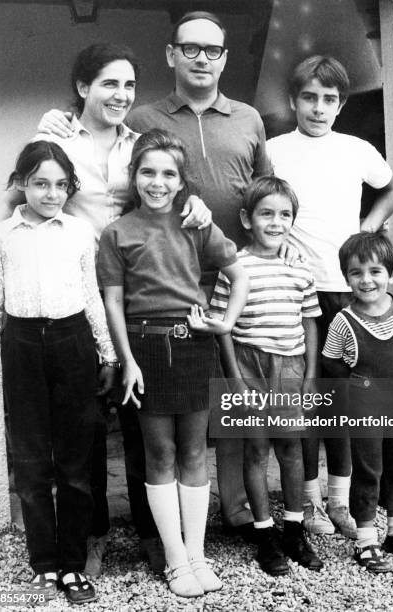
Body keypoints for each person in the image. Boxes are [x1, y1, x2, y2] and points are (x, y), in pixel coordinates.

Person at [0, 43, 210, 577]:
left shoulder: (139, 144)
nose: (121, 95)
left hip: (135, 292)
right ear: (82, 88)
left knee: (142, 420)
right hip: (79, 296)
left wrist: (192, 203)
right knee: (87, 430)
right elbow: (14, 198)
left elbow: (168, 184)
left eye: (129, 85)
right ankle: (93, 535)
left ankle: (156, 537)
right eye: (109, 83)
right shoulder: (52, 137)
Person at [97, 129, 249, 597]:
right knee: (159, 454)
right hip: (145, 350)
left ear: (182, 180)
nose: (157, 182)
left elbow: (237, 273)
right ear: (133, 176)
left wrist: (225, 322)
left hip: (193, 344)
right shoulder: (117, 233)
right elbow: (114, 304)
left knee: (194, 452)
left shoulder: (196, 223)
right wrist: (128, 361)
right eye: (147, 172)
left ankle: (198, 555)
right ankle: (176, 562)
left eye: (168, 174)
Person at [0, 141, 118, 604]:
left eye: (60, 185)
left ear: (70, 188)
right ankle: (44, 563)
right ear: (21, 185)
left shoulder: (79, 232)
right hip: (21, 346)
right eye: (40, 183)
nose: (50, 193)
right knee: (33, 460)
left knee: (76, 460)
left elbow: (92, 295)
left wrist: (108, 354)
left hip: (72, 342)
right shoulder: (3, 236)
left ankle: (73, 564)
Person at [266, 55, 393, 539]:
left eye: (328, 99)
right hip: (297, 293)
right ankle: (309, 504)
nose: (318, 108)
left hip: (348, 294)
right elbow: (263, 203)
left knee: (343, 400)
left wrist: (366, 228)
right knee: (305, 400)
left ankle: (341, 503)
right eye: (309, 97)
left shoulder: (356, 148)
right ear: (293, 100)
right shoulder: (274, 150)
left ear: (340, 104)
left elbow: (390, 191)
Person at [210, 176, 323, 576]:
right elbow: (224, 325)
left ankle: (293, 528)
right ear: (246, 218)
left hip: (290, 366)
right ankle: (264, 534)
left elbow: (309, 321)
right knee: (256, 450)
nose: (275, 222)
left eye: (284, 215)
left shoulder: (299, 268)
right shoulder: (235, 268)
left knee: (290, 450)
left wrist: (310, 373)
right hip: (248, 365)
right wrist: (234, 378)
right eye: (266, 214)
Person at [322, 231, 393, 572]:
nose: (366, 280)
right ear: (346, 278)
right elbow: (332, 362)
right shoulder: (343, 321)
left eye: (375, 271)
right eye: (356, 273)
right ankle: (366, 541)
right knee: (368, 470)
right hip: (365, 405)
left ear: (392, 274)